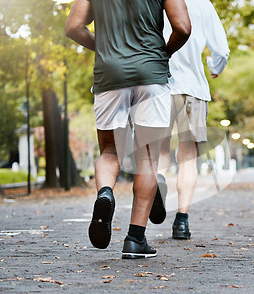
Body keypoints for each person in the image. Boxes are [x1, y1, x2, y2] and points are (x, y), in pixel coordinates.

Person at [65, 0, 191, 259]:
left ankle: (105, 193)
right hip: (151, 73)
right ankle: (135, 239)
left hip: (110, 73)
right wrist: (163, 52)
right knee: (148, 157)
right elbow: (183, 28)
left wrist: (101, 47)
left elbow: (74, 27)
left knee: (110, 150)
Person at [155, 0, 230, 240]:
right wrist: (214, 65)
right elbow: (221, 50)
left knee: (160, 150)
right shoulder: (202, 5)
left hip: (158, 85)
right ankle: (181, 221)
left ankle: (157, 180)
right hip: (194, 88)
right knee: (188, 156)